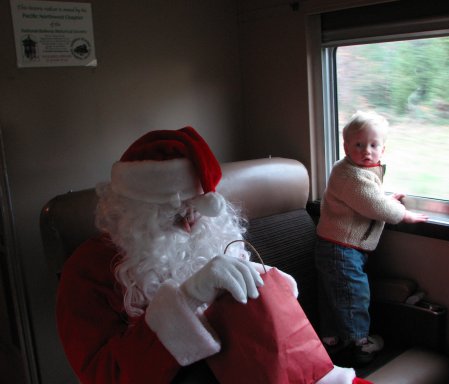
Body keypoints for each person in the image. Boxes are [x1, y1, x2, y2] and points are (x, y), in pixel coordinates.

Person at [56, 127, 369, 383]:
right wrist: (187, 300)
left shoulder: (210, 233)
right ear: (133, 211)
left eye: (199, 210)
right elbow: (106, 376)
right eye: (176, 213)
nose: (192, 222)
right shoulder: (88, 271)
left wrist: (267, 285)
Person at [315, 111, 428, 365]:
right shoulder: (349, 174)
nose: (367, 151)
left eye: (373, 145)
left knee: (336, 293)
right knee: (353, 294)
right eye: (358, 145)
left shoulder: (361, 171)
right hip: (341, 249)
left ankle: (332, 338)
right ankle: (360, 343)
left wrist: (385, 199)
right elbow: (374, 205)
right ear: (345, 146)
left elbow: (368, 199)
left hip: (337, 246)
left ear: (383, 148)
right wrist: (404, 214)